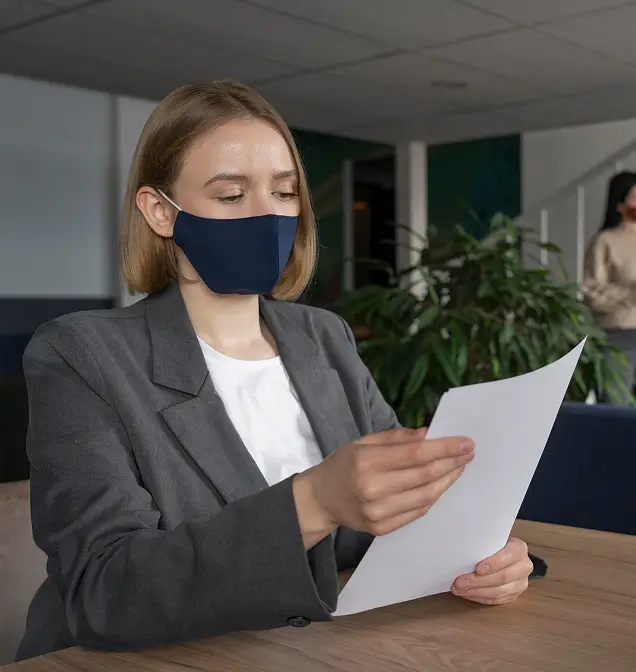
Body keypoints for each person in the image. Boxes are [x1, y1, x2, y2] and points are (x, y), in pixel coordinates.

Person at [16, 81, 532, 661]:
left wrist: (480, 553)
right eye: (232, 195)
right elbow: (104, 591)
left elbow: (398, 512)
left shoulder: (322, 335)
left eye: (284, 192)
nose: (267, 215)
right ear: (161, 211)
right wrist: (315, 502)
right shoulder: (79, 353)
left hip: (315, 646)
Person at [583, 171, 636, 404]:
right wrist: (628, 295)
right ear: (619, 204)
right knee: (618, 404)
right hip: (619, 335)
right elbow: (591, 292)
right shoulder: (606, 241)